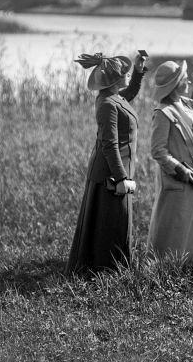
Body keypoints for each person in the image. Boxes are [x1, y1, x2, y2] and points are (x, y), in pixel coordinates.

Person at [65, 50, 147, 274]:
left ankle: (112, 266)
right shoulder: (107, 105)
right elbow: (109, 145)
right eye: (126, 73)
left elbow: (128, 94)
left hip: (114, 171)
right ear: (114, 80)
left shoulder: (114, 98)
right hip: (108, 174)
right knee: (111, 221)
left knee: (115, 220)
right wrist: (121, 178)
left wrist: (139, 73)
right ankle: (106, 270)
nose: (128, 75)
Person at [147, 60, 193, 264]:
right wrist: (179, 170)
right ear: (174, 84)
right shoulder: (162, 113)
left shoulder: (185, 103)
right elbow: (158, 151)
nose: (188, 80)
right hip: (179, 175)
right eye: (183, 78)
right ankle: (169, 263)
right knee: (176, 220)